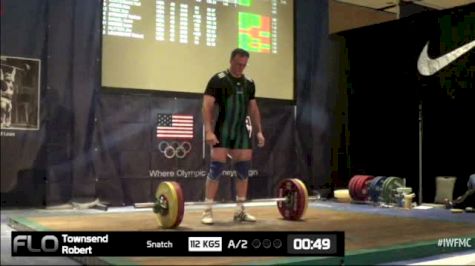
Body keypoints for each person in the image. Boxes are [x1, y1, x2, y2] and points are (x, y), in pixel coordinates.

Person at [201, 48, 265, 224]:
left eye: (244, 65)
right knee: (216, 169)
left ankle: (240, 211)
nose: (240, 68)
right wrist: (208, 130)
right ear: (231, 61)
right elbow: (207, 106)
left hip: (241, 132)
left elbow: (253, 108)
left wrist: (259, 130)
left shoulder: (249, 83)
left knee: (243, 171)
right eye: (238, 64)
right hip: (222, 130)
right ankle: (207, 211)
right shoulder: (218, 80)